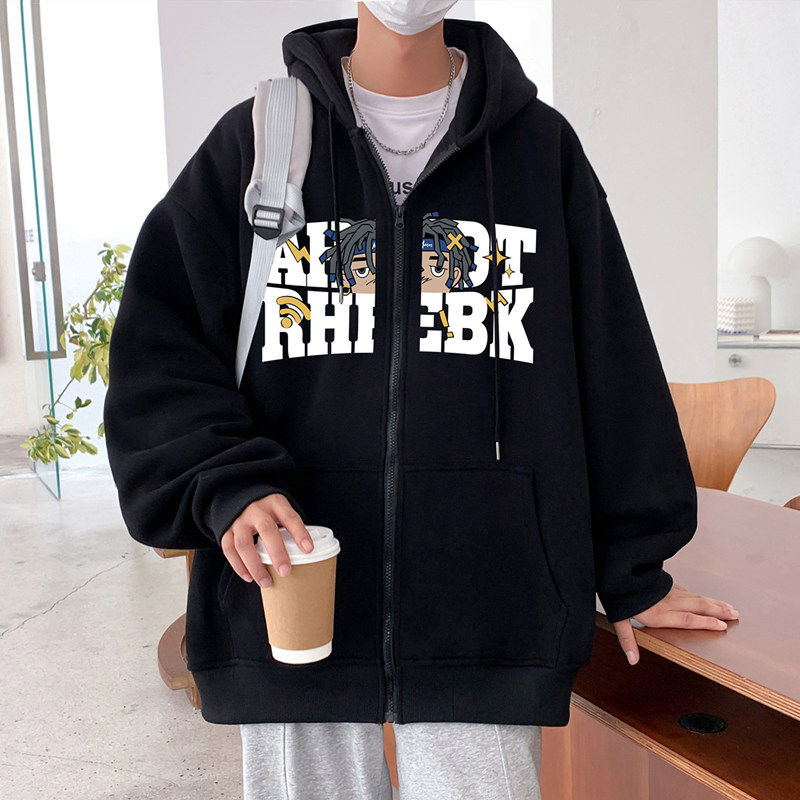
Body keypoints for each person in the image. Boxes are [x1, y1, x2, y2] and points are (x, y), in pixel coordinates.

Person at [103, 1, 738, 798]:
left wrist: (635, 569)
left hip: (489, 612)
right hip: (292, 598)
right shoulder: (259, 146)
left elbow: (611, 365)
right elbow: (160, 352)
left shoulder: (539, 152)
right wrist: (225, 483)